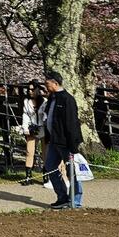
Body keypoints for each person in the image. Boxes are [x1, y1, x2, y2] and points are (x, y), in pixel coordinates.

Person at [41, 70, 83, 210]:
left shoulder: (67, 99)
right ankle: (62, 197)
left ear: (55, 83)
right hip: (54, 140)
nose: (45, 86)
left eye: (47, 83)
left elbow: (71, 122)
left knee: (73, 171)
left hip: (66, 142)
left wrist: (73, 145)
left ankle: (76, 200)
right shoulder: (52, 98)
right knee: (50, 167)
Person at [19, 80, 47, 186]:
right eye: (29, 89)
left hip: (42, 128)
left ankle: (46, 176)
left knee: (45, 153)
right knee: (29, 151)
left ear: (37, 90)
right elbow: (25, 116)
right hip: (32, 128)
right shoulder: (27, 102)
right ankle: (28, 176)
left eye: (32, 89)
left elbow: (45, 115)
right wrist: (25, 127)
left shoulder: (44, 101)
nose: (30, 92)